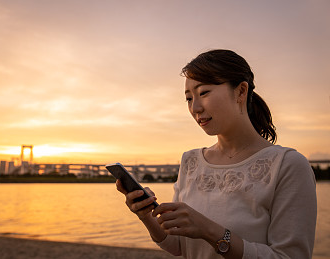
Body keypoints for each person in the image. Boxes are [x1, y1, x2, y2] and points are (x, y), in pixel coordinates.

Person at [116, 49, 317, 258]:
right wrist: (146, 216)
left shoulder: (288, 165)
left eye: (203, 93)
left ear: (240, 91)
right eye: (188, 98)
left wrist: (210, 230)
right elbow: (179, 245)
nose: (195, 107)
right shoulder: (191, 161)